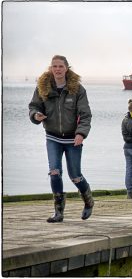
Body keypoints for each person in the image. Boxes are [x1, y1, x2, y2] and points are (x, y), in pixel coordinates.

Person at [28, 55, 93, 223]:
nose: (57, 69)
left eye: (60, 66)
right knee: (55, 173)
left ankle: (88, 201)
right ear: (51, 68)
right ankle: (58, 212)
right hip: (52, 138)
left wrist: (81, 134)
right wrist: (36, 115)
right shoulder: (42, 87)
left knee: (75, 176)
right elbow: (34, 106)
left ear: (66, 68)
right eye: (54, 66)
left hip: (73, 140)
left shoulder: (77, 89)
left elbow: (85, 115)